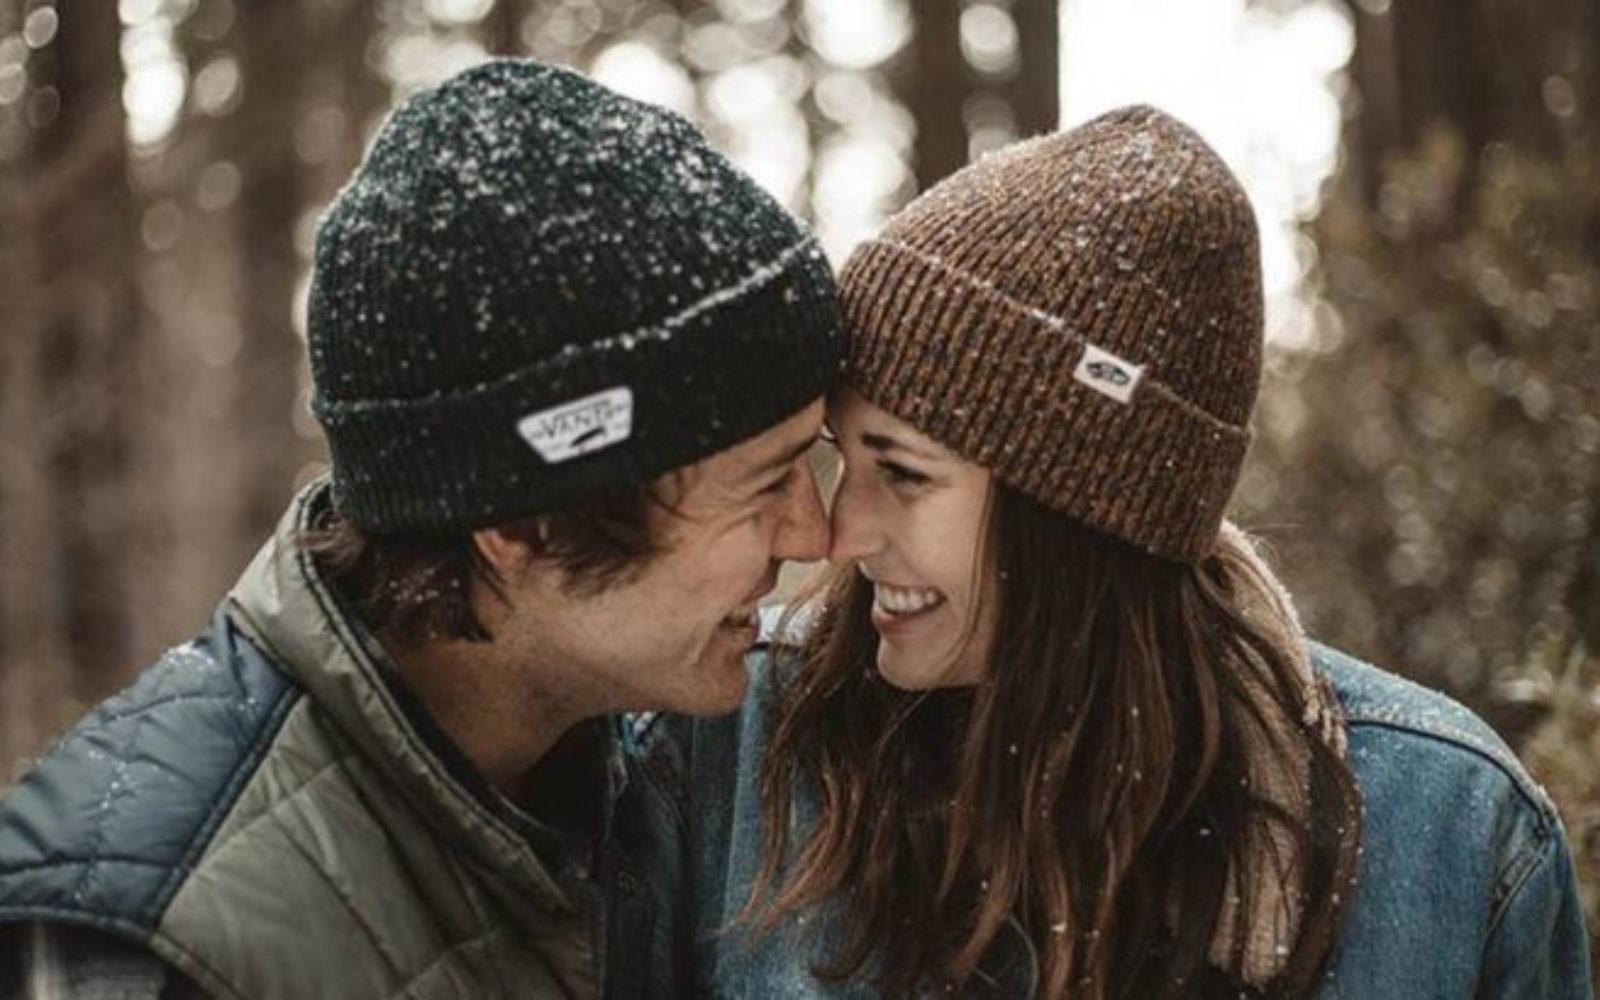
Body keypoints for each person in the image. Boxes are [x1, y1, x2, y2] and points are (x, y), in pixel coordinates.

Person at [684, 106, 1594, 998]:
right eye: (846, 458)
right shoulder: (731, 744)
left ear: (1085, 517)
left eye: (907, 475)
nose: (842, 534)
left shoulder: (1448, 829)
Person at [0, 59, 841, 998]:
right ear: (525, 525)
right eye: (767, 483)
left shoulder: (635, 775)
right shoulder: (145, 942)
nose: (815, 534)